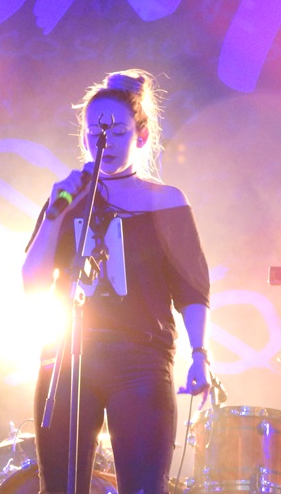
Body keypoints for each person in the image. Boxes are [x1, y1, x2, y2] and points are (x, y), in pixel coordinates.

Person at [22, 69, 211, 494]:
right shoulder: (68, 198)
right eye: (94, 132)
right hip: (69, 358)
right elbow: (33, 281)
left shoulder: (165, 201)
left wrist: (200, 353)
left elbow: (192, 289)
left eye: (117, 132)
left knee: (143, 486)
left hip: (141, 359)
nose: (103, 141)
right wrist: (55, 212)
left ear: (141, 136)